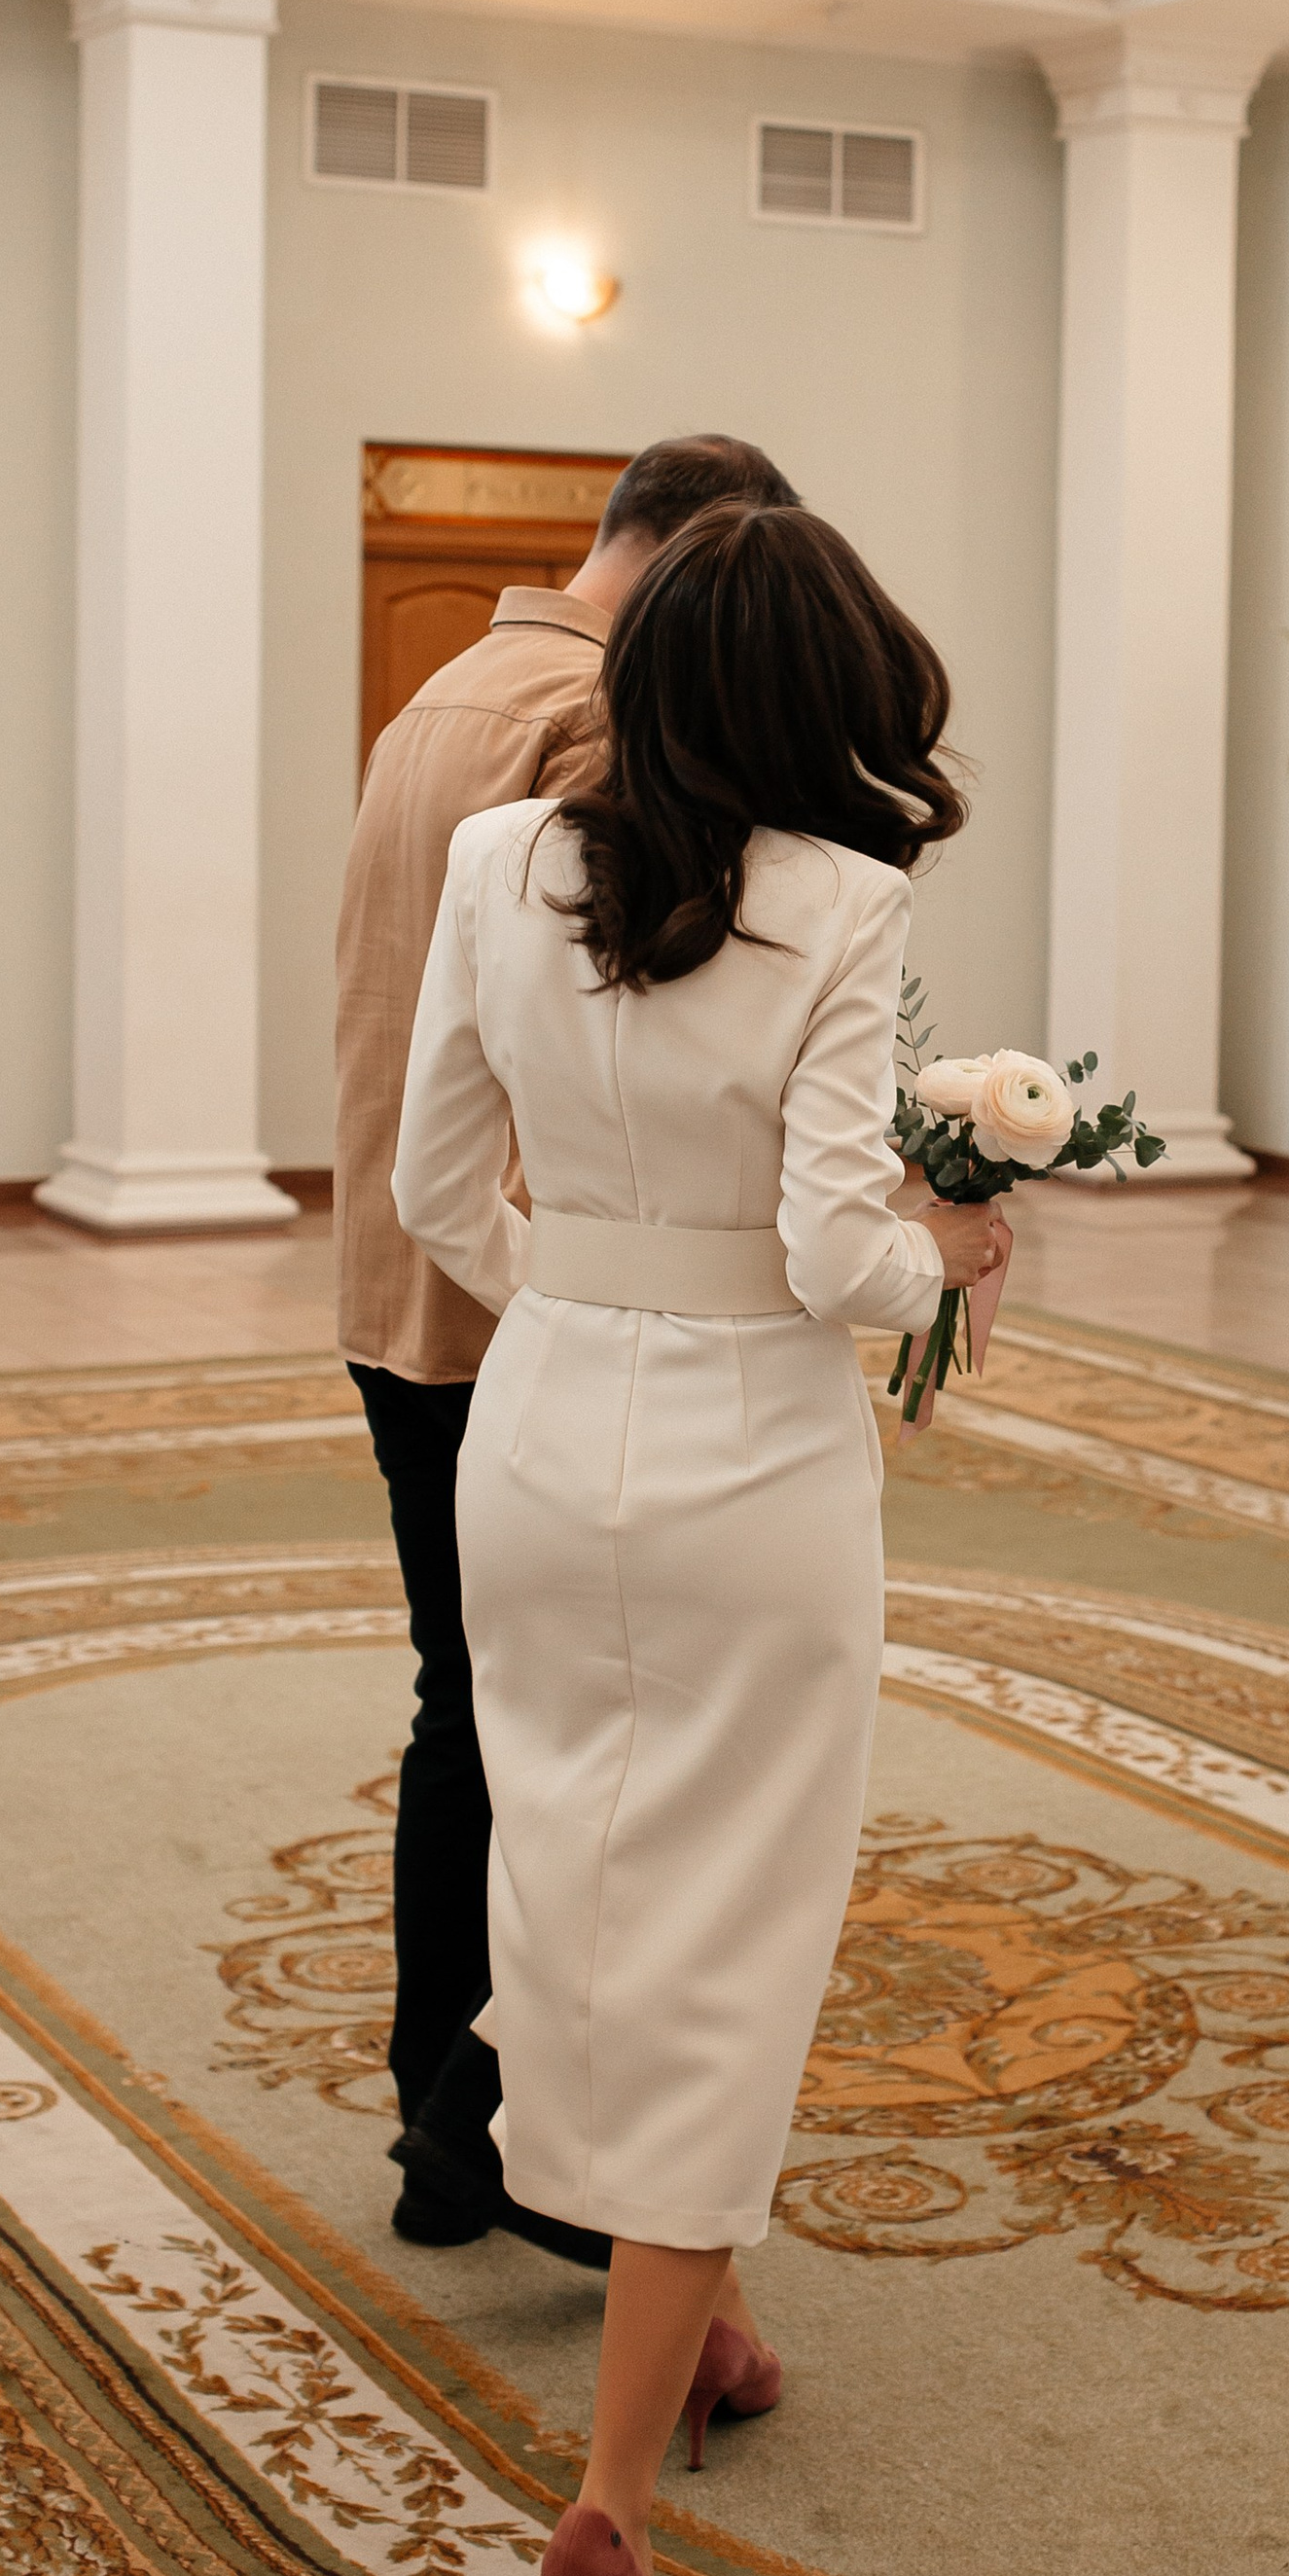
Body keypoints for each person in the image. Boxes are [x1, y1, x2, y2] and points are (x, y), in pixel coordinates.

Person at [390, 499, 1007, 2576]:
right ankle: (609, 2507)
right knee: (732, 1935)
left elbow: (427, 1187)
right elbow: (839, 1253)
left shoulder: (496, 863)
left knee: (571, 1874)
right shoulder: (842, 897)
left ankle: (707, 2313)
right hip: (752, 1459)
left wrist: (584, 1297)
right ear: (826, 698)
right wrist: (955, 1257)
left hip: (540, 1429)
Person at [334, 435, 800, 2262]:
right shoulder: (598, 721)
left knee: (472, 1702)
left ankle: (442, 2111)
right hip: (542, 1281)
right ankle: (490, 2124)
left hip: (398, 1264)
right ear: (694, 556)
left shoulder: (441, 692)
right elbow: (640, 1024)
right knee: (595, 1729)